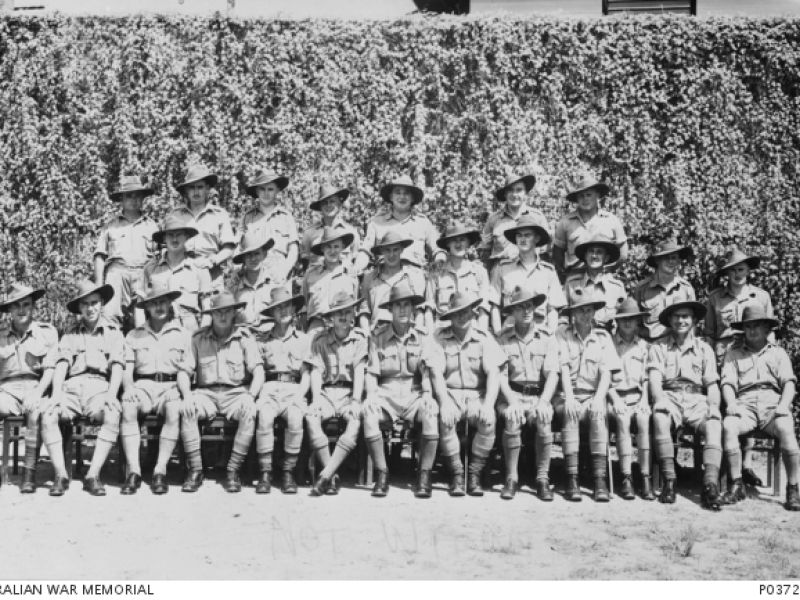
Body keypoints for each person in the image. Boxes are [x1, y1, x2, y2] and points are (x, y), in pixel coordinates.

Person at [39, 280, 125, 497]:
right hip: (72, 387)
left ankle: (92, 475)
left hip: (99, 388)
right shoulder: (70, 334)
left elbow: (117, 366)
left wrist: (112, 395)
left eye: (94, 302)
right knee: (48, 413)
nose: (90, 308)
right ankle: (61, 474)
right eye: (85, 304)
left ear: (102, 303)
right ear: (79, 307)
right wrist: (56, 394)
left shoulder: (113, 333)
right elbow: (62, 364)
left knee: (113, 413)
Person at [178, 292, 265, 493]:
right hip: (206, 393)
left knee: (249, 412)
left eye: (227, 311)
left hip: (236, 393)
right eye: (218, 312)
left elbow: (259, 372)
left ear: (234, 313)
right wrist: (187, 395)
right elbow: (184, 372)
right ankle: (196, 470)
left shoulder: (244, 338)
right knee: (187, 410)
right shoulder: (198, 338)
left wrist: (251, 397)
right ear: (211, 314)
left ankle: (233, 470)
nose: (223, 316)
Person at [705, 247, 775, 486]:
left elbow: (770, 334)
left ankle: (746, 466)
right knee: (726, 411)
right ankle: (722, 468)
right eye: (733, 270)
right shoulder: (715, 298)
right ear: (727, 273)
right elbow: (709, 334)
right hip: (724, 359)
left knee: (748, 406)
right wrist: (710, 363)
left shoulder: (761, 297)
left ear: (749, 271)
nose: (737, 274)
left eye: (742, 269)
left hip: (751, 359)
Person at [719, 306, 800, 511]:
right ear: (743, 330)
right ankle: (736, 484)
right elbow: (727, 384)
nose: (752, 330)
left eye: (757, 326)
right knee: (729, 426)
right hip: (744, 404)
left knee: (786, 428)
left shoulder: (778, 353)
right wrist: (731, 404)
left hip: (772, 404)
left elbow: (789, 383)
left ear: (766, 329)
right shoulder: (733, 354)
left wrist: (784, 405)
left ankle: (793, 488)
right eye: (748, 327)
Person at [363, 282, 439, 498]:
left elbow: (426, 371)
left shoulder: (423, 336)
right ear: (390, 309)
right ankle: (382, 473)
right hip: (386, 395)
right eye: (398, 305)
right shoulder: (377, 337)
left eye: (407, 305)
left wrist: (427, 394)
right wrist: (371, 395)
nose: (403, 310)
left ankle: (424, 474)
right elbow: (372, 373)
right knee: (369, 415)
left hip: (414, 394)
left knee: (431, 413)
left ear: (413, 308)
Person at [427, 292, 505, 497]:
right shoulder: (439, 338)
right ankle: (456, 474)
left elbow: (494, 373)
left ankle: (474, 473)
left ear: (473, 313)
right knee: (446, 420)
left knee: (488, 421)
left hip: (477, 395)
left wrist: (488, 405)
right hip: (450, 394)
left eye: (466, 312)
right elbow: (435, 374)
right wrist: (444, 402)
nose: (462, 317)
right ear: (450, 316)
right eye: (457, 313)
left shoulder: (484, 337)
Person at [648, 301, 723, 510]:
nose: (681, 321)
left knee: (714, 424)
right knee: (660, 418)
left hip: (696, 399)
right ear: (669, 320)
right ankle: (669, 481)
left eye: (686, 316)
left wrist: (714, 406)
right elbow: (655, 379)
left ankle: (710, 485)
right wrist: (659, 400)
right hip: (670, 396)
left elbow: (712, 384)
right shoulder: (659, 347)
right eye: (676, 316)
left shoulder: (704, 349)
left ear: (694, 320)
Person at [119, 282, 188, 495]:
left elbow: (186, 370)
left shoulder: (183, 334)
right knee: (128, 407)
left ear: (169, 305)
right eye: (154, 303)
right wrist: (128, 388)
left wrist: (181, 391)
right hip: (143, 386)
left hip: (170, 386)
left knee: (174, 409)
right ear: (147, 307)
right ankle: (134, 472)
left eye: (163, 302)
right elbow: (127, 369)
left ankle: (160, 471)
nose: (159, 307)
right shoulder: (134, 335)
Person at [555, 293, 621, 502]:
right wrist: (570, 398)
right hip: (567, 394)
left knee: (598, 415)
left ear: (594, 312)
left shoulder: (603, 337)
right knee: (571, 413)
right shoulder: (562, 334)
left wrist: (599, 399)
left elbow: (606, 372)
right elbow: (563, 368)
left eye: (589, 310)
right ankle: (572, 478)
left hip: (593, 394)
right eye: (581, 310)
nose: (585, 314)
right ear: (573, 313)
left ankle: (599, 479)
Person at [496, 286, 559, 501]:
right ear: (512, 312)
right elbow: (500, 376)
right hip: (511, 396)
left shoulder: (547, 338)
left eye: (530, 306)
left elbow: (552, 375)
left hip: (538, 397)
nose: (526, 311)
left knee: (544, 418)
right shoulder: (503, 339)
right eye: (520, 307)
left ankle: (542, 478)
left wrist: (544, 402)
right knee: (512, 418)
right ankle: (511, 478)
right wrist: (512, 402)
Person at [304, 292, 367, 496]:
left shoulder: (360, 340)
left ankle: (325, 476)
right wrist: (315, 400)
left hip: (349, 393)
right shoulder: (320, 340)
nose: (343, 316)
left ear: (353, 315)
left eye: (347, 312)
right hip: (327, 393)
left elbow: (359, 371)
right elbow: (316, 371)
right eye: (338, 313)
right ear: (331, 317)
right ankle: (331, 474)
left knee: (355, 421)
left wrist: (356, 400)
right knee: (311, 417)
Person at [0, 283, 58, 494]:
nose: (21, 310)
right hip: (7, 390)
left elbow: (50, 369)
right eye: (16, 306)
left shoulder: (46, 333)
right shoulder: (0, 335)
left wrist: (38, 392)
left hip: (36, 386)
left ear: (33, 306)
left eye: (26, 304)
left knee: (36, 411)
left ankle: (29, 473)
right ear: (10, 310)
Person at [253, 287, 311, 494]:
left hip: (294, 388)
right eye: (278, 308)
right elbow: (259, 372)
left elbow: (306, 374)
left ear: (294, 309)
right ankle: (265, 472)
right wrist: (257, 395)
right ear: (272, 313)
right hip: (269, 388)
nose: (284, 311)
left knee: (295, 418)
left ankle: (288, 471)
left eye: (287, 306)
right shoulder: (263, 340)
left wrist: (299, 396)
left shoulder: (304, 340)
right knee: (264, 417)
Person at [93, 175, 158, 330]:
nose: (134, 200)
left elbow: (160, 257)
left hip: (143, 274)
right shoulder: (111, 226)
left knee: (143, 320)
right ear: (121, 199)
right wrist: (98, 287)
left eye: (138, 196)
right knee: (109, 318)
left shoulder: (152, 226)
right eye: (129, 196)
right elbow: (99, 256)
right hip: (117, 275)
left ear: (143, 199)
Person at [607, 298, 654, 500]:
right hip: (615, 397)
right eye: (623, 319)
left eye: (632, 319)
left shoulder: (644, 346)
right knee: (622, 419)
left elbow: (647, 378)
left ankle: (645, 476)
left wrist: (644, 400)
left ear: (638, 322)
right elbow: (604, 378)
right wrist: (615, 400)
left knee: (644, 419)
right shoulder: (608, 345)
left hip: (638, 397)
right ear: (617, 321)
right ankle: (626, 476)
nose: (627, 323)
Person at [489, 214, 566, 334]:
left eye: (527, 235)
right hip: (510, 333)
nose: (522, 239)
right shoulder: (502, 268)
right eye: (519, 235)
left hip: (540, 333)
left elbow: (552, 309)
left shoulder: (548, 272)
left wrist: (550, 334)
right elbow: (494, 306)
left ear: (537, 238)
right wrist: (498, 333)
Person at [167, 164, 236, 291]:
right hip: (183, 272)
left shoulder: (219, 215)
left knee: (211, 303)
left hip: (212, 273)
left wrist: (212, 261)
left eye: (200, 187)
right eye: (192, 188)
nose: (196, 192)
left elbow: (229, 248)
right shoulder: (175, 215)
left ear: (207, 189)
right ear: (186, 191)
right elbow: (165, 246)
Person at [355, 175, 445, 273]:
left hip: (415, 274)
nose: (402, 197)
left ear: (412, 198)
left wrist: (440, 262)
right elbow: (365, 251)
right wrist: (356, 269)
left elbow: (438, 250)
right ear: (391, 197)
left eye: (406, 193)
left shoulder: (423, 222)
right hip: (384, 275)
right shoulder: (377, 222)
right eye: (397, 192)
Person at [143, 214, 212, 333]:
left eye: (179, 235)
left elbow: (207, 308)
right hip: (159, 330)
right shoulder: (151, 269)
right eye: (170, 235)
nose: (174, 239)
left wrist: (201, 336)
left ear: (186, 237)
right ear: (164, 238)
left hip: (190, 329)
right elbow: (141, 307)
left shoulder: (199, 269)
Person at [552, 170, 627, 280]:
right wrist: (566, 273)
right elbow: (557, 253)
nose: (585, 199)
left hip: (602, 276)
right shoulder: (565, 222)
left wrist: (609, 269)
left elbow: (623, 253)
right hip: (575, 277)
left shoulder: (611, 220)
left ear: (597, 195)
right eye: (581, 196)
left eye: (589, 195)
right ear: (576, 199)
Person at [426, 222, 491, 331]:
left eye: (462, 240)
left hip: (471, 329)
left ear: (468, 243)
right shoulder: (436, 273)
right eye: (454, 240)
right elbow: (429, 309)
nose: (458, 244)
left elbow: (483, 310)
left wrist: (481, 334)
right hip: (443, 330)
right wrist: (430, 337)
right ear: (447, 244)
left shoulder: (479, 272)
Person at [239, 168, 298, 284]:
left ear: (277, 191)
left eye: (270, 189)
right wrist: (238, 271)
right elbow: (238, 247)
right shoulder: (248, 217)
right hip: (253, 273)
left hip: (279, 272)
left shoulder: (286, 217)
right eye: (262, 189)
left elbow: (293, 249)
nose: (266, 193)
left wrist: (284, 271)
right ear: (257, 191)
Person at [359, 231, 427, 332]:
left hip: (406, 333)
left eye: (395, 250)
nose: (392, 255)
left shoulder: (414, 276)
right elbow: (364, 312)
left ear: (402, 250)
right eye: (387, 250)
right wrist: (366, 333)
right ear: (382, 251)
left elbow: (419, 310)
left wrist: (417, 331)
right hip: (377, 333)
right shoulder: (369, 278)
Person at [479, 171, 549, 266]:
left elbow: (544, 251)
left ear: (525, 193)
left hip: (529, 269)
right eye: (510, 190)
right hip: (501, 268)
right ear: (505, 194)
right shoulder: (493, 219)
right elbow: (485, 251)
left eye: (519, 190)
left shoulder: (537, 217)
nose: (514, 194)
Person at [632, 239, 695, 341]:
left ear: (678, 261)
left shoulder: (686, 289)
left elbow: (692, 324)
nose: (671, 261)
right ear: (657, 261)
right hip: (650, 344)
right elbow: (634, 323)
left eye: (674, 258)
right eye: (666, 258)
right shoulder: (642, 289)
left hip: (677, 345)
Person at [564, 234, 627, 330]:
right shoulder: (572, 285)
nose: (594, 256)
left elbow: (624, 319)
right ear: (585, 256)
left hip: (607, 337)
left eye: (599, 252)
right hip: (578, 336)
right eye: (591, 251)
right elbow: (563, 317)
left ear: (606, 258)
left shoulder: (617, 288)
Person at [303, 227, 359, 332]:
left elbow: (354, 304)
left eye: (336, 246)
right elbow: (305, 303)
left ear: (342, 247)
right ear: (322, 249)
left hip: (343, 328)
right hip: (317, 328)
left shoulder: (350, 274)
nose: (332, 251)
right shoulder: (311, 275)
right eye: (328, 247)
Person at [300, 183, 361, 272]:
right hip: (317, 278)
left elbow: (355, 258)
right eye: (325, 202)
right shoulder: (309, 233)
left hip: (343, 277)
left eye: (332, 201)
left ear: (339, 205)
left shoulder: (351, 232)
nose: (328, 205)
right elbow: (304, 261)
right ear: (320, 207)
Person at [229, 231, 276, 330]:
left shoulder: (274, 283)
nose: (253, 258)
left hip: (268, 336)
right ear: (243, 258)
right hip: (242, 336)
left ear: (264, 255)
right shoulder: (234, 286)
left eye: (257, 253)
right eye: (249, 255)